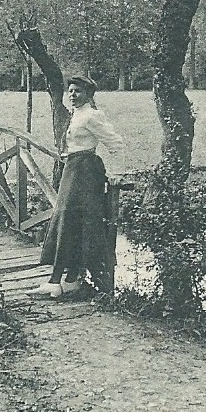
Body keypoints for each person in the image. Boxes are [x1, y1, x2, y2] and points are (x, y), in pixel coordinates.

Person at [30, 75, 123, 299]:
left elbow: (116, 144)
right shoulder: (77, 114)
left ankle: (58, 281)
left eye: (77, 91)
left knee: (72, 219)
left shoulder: (92, 116)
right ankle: (69, 279)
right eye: (70, 91)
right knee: (66, 219)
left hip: (86, 172)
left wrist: (115, 173)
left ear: (89, 94)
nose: (72, 95)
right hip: (73, 169)